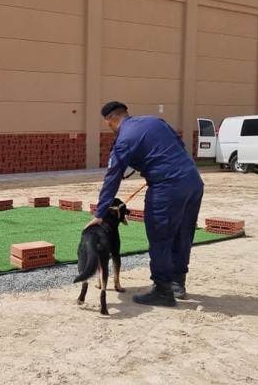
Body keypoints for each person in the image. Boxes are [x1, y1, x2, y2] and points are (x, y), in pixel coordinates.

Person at [85, 101, 204, 307]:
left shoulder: (123, 140)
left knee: (160, 238)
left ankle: (163, 291)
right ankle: (177, 284)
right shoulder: (154, 120)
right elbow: (179, 145)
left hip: (167, 188)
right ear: (127, 113)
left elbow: (112, 178)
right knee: (183, 233)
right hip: (193, 181)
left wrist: (100, 213)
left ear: (108, 122)